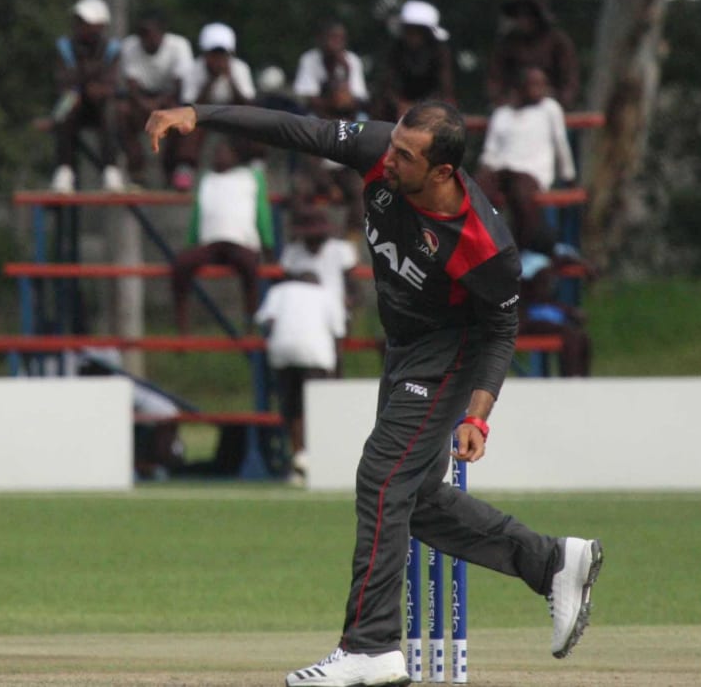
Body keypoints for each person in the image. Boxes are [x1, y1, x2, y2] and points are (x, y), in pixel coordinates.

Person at [145, 101, 604, 687]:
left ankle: (370, 646)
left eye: (405, 156)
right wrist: (200, 114)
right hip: (405, 347)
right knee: (409, 498)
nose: (388, 157)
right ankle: (552, 561)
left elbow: (500, 331)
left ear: (442, 172)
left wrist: (478, 415)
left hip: (449, 353)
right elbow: (298, 130)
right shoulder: (381, 152)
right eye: (393, 146)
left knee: (381, 477)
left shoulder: (483, 244)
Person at [171, 140, 272, 336]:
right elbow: (197, 216)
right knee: (181, 264)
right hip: (211, 244)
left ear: (235, 156)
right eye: (216, 152)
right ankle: (182, 325)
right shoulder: (207, 180)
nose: (218, 156)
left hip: (241, 242)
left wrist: (267, 245)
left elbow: (262, 214)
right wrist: (190, 245)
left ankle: (250, 321)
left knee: (250, 268)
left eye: (224, 152)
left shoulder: (251, 177)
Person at [256, 270, 346, 485]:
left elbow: (265, 321)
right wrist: (337, 372)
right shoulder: (326, 293)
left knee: (291, 408)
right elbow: (339, 332)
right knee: (316, 410)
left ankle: (298, 458)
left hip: (282, 352)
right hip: (316, 353)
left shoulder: (279, 291)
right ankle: (314, 461)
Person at [477, 66, 575, 256]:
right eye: (534, 85)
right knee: (474, 191)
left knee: (521, 197)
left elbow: (560, 142)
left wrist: (568, 176)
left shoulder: (549, 109)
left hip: (531, 171)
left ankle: (522, 250)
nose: (540, 89)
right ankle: (477, 245)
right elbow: (490, 151)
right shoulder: (502, 114)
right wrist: (486, 171)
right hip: (500, 168)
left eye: (542, 85)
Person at [47, 0, 126, 193]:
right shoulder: (65, 47)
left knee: (111, 108)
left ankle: (111, 170)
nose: (81, 26)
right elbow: (63, 81)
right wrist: (81, 89)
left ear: (100, 25)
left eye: (87, 22)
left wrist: (96, 89)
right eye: (79, 21)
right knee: (66, 105)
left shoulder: (112, 49)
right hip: (75, 102)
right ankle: (64, 170)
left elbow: (111, 83)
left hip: (100, 106)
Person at [174, 23, 257, 188]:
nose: (218, 59)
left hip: (233, 115)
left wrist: (230, 79)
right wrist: (211, 80)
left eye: (222, 54)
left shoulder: (239, 69)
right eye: (214, 54)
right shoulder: (194, 69)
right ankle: (185, 169)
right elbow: (189, 105)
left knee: (254, 124)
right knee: (188, 126)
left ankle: (254, 166)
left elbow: (248, 103)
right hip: (203, 117)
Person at [117, 10, 192, 185]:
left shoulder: (179, 46)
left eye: (149, 33)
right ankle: (136, 167)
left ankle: (172, 169)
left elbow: (179, 85)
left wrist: (158, 105)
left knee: (181, 117)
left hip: (170, 98)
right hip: (141, 99)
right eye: (141, 34)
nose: (145, 39)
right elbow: (132, 84)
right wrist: (146, 104)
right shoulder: (130, 46)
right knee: (122, 112)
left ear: (162, 32)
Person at [487, 0, 580, 109]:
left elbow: (569, 82)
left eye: (528, 15)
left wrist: (558, 100)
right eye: (519, 15)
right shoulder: (507, 43)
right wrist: (502, 100)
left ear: (539, 16)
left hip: (550, 104)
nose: (523, 20)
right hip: (514, 107)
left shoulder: (558, 42)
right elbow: (495, 79)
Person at [278, 208, 358, 339]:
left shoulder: (341, 250)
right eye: (310, 239)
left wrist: (349, 302)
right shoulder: (292, 253)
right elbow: (286, 287)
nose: (314, 243)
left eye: (317, 238)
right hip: (301, 315)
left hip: (335, 313)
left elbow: (353, 286)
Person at [375, 0, 455, 121]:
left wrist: (419, 107)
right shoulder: (395, 50)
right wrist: (400, 104)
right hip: (396, 111)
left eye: (418, 31)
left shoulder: (440, 53)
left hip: (430, 109)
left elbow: (444, 88)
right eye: (409, 30)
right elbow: (386, 86)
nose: (413, 36)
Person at [293, 20, 370, 121]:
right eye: (333, 38)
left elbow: (359, 97)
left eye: (341, 39)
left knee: (364, 122)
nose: (337, 43)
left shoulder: (352, 60)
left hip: (349, 116)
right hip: (318, 116)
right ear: (320, 39)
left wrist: (347, 72)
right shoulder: (310, 59)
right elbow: (307, 97)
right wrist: (332, 103)